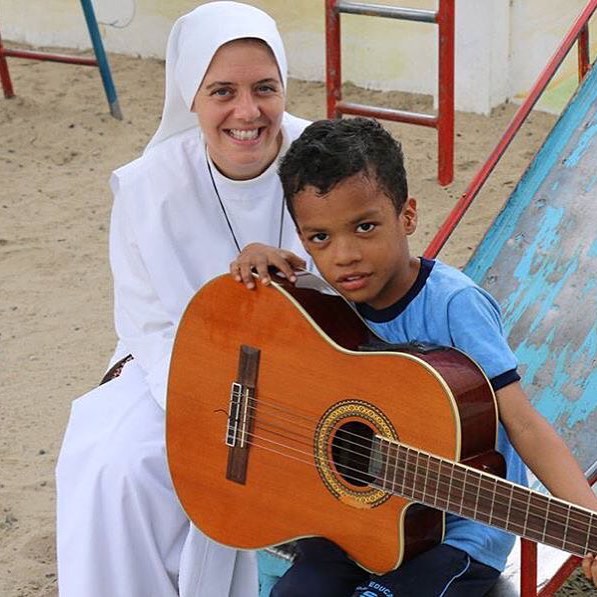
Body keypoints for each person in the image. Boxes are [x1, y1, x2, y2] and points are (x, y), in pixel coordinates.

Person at [230, 117, 597, 596]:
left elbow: (523, 424)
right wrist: (253, 268)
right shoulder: (326, 305)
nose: (344, 255)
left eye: (365, 227)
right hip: (353, 523)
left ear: (407, 216)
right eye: (320, 238)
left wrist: (590, 526)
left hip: (456, 534)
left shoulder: (454, 306)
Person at [55, 3, 310, 596]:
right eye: (222, 91)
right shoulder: (147, 187)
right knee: (112, 464)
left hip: (312, 375)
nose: (247, 112)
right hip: (178, 374)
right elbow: (148, 325)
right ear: (190, 96)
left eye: (264, 89)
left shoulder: (328, 161)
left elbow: (362, 282)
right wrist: (217, 414)